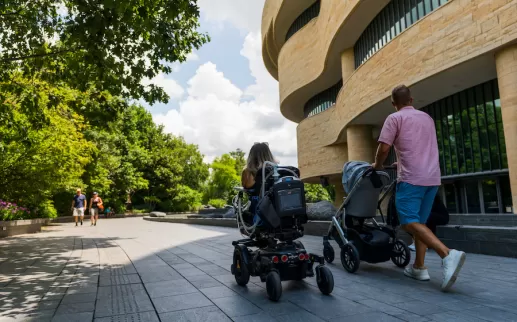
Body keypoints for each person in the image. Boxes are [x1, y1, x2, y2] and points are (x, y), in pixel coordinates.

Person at [372, 85, 466, 291]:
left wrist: (377, 165)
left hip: (411, 179)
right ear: (411, 100)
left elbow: (384, 147)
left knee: (408, 222)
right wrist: (401, 162)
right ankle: (419, 267)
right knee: (421, 223)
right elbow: (418, 147)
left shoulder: (394, 118)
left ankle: (447, 254)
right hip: (432, 177)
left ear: (393, 103)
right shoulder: (427, 118)